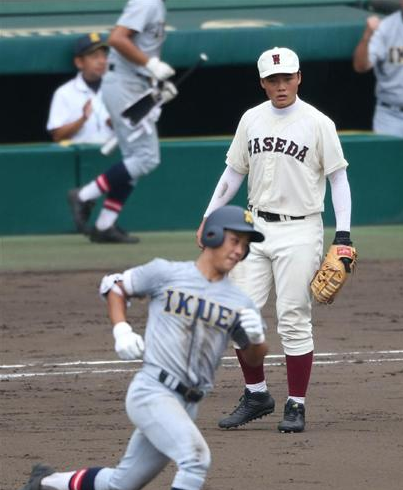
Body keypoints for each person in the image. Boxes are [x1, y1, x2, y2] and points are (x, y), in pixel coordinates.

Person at [7, 206, 268, 490]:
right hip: (152, 391)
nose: (239, 250)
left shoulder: (239, 301)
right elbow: (116, 285)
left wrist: (257, 338)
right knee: (195, 458)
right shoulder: (167, 273)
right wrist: (121, 329)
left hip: (186, 405)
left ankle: (45, 482)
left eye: (245, 245)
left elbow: (253, 358)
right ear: (211, 236)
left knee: (121, 485)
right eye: (234, 239)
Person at [197, 46, 355, 434]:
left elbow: (338, 179)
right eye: (273, 79)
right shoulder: (251, 119)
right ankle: (257, 395)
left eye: (287, 78)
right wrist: (208, 216)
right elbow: (233, 173)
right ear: (263, 82)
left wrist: (344, 235)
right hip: (256, 227)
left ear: (299, 78)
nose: (281, 85)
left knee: (293, 318)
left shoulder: (318, 123)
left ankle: (296, 404)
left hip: (301, 229)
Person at [68, 0, 177, 244]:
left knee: (134, 159)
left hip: (133, 83)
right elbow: (116, 38)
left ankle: (104, 224)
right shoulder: (147, 2)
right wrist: (150, 65)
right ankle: (84, 195)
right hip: (124, 83)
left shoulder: (156, 5)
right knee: (146, 157)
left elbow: (141, 47)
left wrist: (154, 83)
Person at [47, 33, 113, 144]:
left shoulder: (118, 87)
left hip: (115, 155)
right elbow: (57, 136)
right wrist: (82, 119)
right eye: (95, 56)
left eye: (104, 56)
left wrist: (117, 124)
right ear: (79, 62)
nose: (102, 61)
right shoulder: (64, 93)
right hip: (82, 157)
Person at [352, 1, 403, 137]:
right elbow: (361, 66)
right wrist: (367, 37)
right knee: (388, 158)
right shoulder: (386, 28)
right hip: (392, 115)